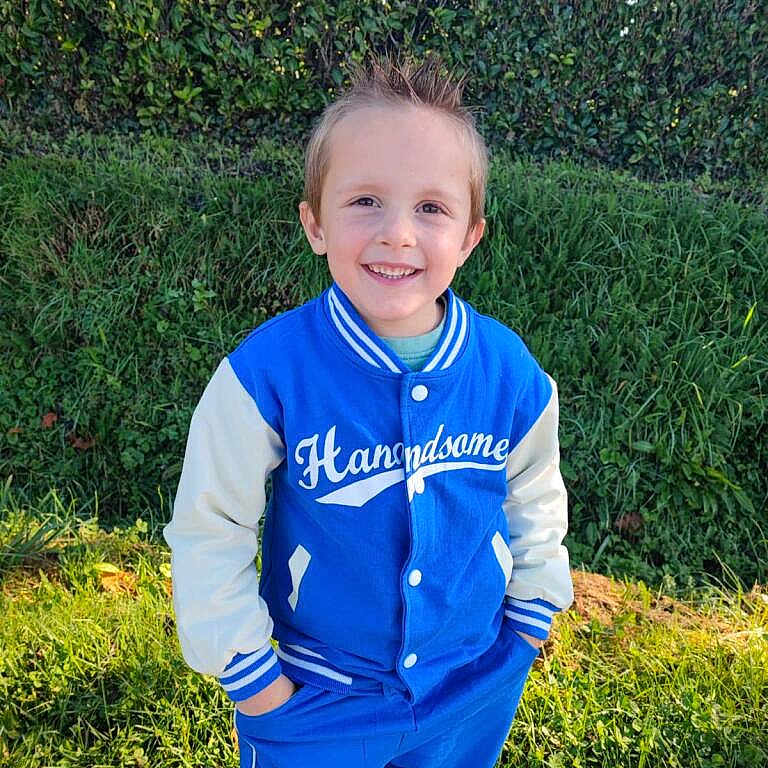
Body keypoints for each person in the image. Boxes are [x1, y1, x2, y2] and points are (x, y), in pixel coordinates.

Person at [163, 53, 574, 768]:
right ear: (314, 224)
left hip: (469, 686)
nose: (398, 234)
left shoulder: (509, 373)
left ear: (470, 237)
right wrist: (253, 680)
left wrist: (533, 615)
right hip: (313, 700)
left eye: (431, 208)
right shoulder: (267, 372)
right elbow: (210, 525)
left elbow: (534, 495)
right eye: (364, 202)